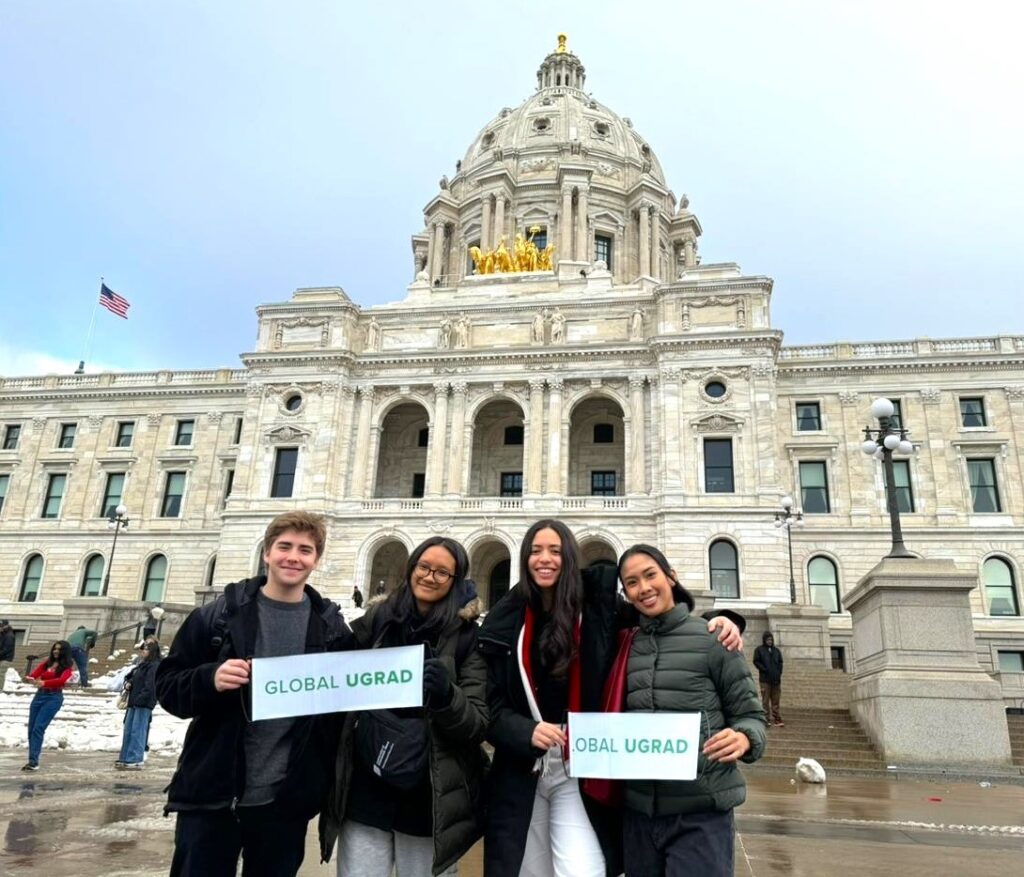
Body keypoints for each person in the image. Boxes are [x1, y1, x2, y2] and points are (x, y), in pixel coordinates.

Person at [479, 520, 743, 877]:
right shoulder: (503, 620)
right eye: (536, 550)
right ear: (524, 558)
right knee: (528, 869)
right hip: (522, 767)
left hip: (579, 764)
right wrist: (524, 731)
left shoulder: (599, 606)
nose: (545, 559)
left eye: (555, 551)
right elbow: (487, 704)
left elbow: (659, 617)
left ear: (569, 557)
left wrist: (719, 620)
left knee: (583, 869)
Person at [156, 511, 353, 877]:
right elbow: (167, 687)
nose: (293, 557)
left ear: (316, 560)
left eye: (305, 550)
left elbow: (342, 710)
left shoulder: (332, 631)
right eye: (285, 547)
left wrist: (313, 784)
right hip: (213, 796)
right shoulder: (218, 617)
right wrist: (209, 678)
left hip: (283, 803)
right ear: (267, 553)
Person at [320, 538, 489, 876]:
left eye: (443, 572)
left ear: (457, 581)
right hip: (367, 785)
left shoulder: (468, 638)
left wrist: (446, 697)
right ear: (411, 568)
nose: (430, 577)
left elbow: (477, 722)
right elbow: (335, 683)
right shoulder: (377, 620)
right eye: (424, 567)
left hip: (428, 792)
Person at [617, 545, 766, 877]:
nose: (643, 588)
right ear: (625, 594)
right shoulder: (625, 644)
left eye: (650, 575)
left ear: (672, 577)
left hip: (700, 812)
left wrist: (744, 738)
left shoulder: (714, 639)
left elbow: (751, 715)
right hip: (640, 814)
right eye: (631, 582)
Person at [22, 640, 74, 770]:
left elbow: (62, 680)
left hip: (53, 697)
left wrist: (45, 683)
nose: (56, 651)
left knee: (38, 728)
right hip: (39, 695)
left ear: (64, 652)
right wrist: (29, 678)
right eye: (54, 648)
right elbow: (35, 674)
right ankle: (32, 760)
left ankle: (33, 762)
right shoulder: (47, 663)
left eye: (59, 649)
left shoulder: (67, 666)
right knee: (31, 728)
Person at [116, 639, 162, 769]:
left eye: (146, 649)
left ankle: (135, 757)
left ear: (152, 651)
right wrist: (129, 683)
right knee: (129, 730)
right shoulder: (142, 664)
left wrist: (141, 698)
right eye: (142, 649)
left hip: (143, 702)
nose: (143, 651)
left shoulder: (154, 665)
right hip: (134, 701)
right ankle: (125, 756)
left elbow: (150, 685)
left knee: (138, 730)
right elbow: (131, 677)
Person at [753, 632, 784, 726]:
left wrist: (778, 673)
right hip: (765, 680)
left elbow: (780, 662)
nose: (770, 641)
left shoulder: (776, 651)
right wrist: (764, 669)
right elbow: (756, 661)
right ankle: (766, 719)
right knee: (765, 700)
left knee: (776, 700)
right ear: (764, 640)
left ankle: (777, 718)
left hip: (776, 680)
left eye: (771, 640)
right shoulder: (759, 650)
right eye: (768, 640)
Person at [0, 619, 15, 689]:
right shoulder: (3, 634)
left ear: (6, 626)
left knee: (1, 674)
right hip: (2, 657)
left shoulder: (9, 636)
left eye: (1, 626)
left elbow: (7, 649)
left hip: (6, 659)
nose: (1, 628)